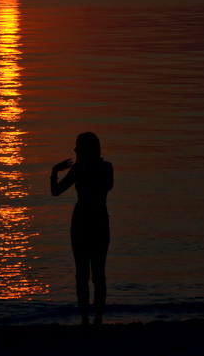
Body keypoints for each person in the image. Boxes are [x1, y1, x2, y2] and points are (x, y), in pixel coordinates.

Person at [50, 132, 114, 325]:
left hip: (83, 222)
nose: (76, 150)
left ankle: (88, 320)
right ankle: (96, 320)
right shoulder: (105, 168)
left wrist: (54, 172)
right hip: (99, 221)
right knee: (97, 273)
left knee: (84, 274)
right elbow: (106, 187)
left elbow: (55, 191)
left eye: (79, 147)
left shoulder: (81, 169)